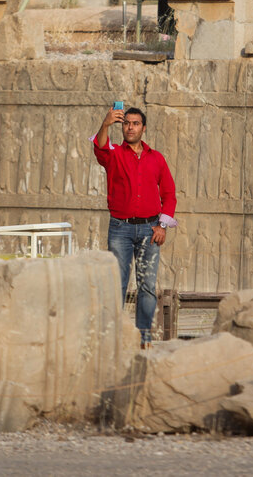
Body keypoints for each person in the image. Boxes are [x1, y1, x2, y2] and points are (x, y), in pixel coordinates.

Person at [92, 105, 177, 348]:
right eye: (126, 123)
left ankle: (144, 337)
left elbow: (169, 194)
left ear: (144, 128)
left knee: (147, 286)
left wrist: (162, 225)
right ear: (122, 126)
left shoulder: (157, 158)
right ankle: (114, 337)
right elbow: (99, 147)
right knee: (117, 284)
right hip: (120, 229)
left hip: (151, 230)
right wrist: (106, 123)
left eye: (135, 123)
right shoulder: (113, 154)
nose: (130, 127)